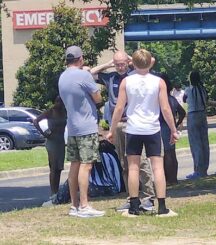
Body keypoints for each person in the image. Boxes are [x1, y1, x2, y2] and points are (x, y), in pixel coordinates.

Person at [107, 49, 179, 217]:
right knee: (157, 168)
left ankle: (133, 206)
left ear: (133, 63)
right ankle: (161, 206)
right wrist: (173, 129)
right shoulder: (159, 82)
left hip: (133, 128)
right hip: (152, 128)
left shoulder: (126, 82)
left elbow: (119, 108)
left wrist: (112, 129)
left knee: (133, 167)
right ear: (150, 62)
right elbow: (165, 108)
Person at [90, 50, 156, 212]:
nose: (120, 67)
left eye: (123, 64)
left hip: (133, 122)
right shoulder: (110, 77)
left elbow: (151, 60)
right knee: (124, 164)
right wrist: (108, 64)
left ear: (128, 62)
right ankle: (131, 197)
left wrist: (132, 60)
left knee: (141, 162)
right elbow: (89, 73)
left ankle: (148, 196)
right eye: (117, 64)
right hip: (118, 124)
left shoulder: (135, 75)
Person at [58, 45, 105, 218]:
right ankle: (85, 205)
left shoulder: (62, 77)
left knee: (74, 166)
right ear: (81, 58)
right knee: (87, 166)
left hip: (72, 127)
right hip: (87, 126)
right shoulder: (84, 75)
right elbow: (97, 97)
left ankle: (74, 205)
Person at [33, 96, 67, 206]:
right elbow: (36, 121)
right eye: (57, 101)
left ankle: (57, 192)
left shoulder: (64, 112)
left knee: (59, 168)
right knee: (53, 168)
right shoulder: (50, 112)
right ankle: (53, 192)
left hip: (60, 141)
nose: (59, 104)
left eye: (61, 102)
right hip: (52, 141)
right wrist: (45, 133)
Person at [160, 74, 186, 185]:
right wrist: (176, 123)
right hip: (171, 127)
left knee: (166, 154)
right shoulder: (172, 98)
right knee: (172, 153)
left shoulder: (161, 99)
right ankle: (173, 178)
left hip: (162, 126)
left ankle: (168, 179)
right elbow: (182, 112)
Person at [183, 71, 210, 180]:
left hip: (193, 114)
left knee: (195, 143)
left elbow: (184, 99)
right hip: (202, 114)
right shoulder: (202, 89)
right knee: (204, 142)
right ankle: (204, 169)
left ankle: (198, 169)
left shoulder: (189, 89)